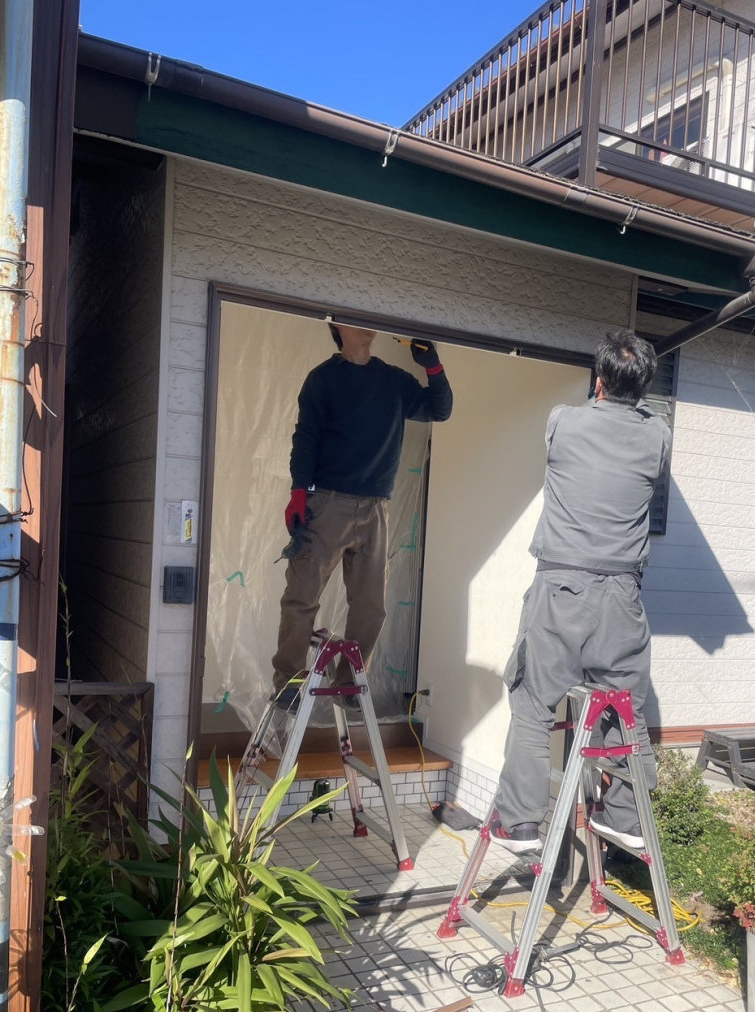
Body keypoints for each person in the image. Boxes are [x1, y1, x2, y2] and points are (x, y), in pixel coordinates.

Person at [491, 330, 670, 854]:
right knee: (622, 708)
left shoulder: (562, 422)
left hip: (561, 588)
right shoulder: (658, 434)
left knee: (533, 705)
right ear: (644, 387)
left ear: (598, 381)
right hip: (623, 596)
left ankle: (520, 822)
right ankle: (628, 819)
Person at [272, 323, 453, 709]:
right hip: (328, 505)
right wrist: (299, 492)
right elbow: (305, 437)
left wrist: (433, 367)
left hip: (375, 507)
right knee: (301, 597)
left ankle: (350, 682)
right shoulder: (323, 379)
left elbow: (440, 409)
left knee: (372, 606)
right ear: (336, 326)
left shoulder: (393, 381)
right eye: (356, 319)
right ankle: (288, 681)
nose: (368, 326)